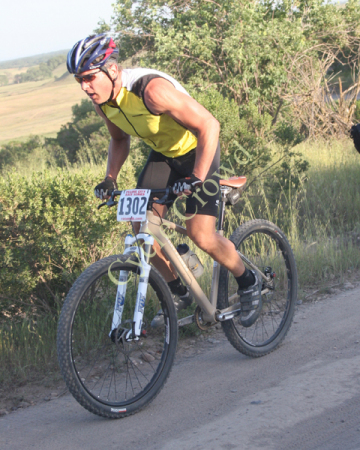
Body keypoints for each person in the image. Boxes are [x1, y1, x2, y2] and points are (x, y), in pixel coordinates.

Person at [67, 34, 262, 327]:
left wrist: (196, 177)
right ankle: (179, 292)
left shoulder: (152, 91)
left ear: (112, 70)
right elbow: (119, 139)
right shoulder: (104, 102)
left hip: (197, 153)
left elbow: (210, 125)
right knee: (140, 228)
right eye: (79, 80)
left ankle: (249, 281)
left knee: (202, 235)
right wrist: (110, 178)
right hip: (163, 155)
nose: (84, 86)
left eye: (89, 78)